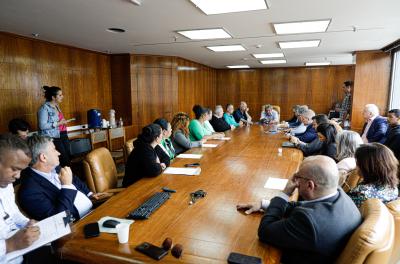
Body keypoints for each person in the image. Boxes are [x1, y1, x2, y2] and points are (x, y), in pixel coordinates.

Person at [237, 156, 361, 264]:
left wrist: (284, 193)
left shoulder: (309, 220)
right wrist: (263, 204)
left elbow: (265, 231)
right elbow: (299, 206)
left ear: (310, 185)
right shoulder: (338, 194)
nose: (294, 181)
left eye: (298, 177)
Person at [18, 135, 108, 221]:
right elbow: (60, 221)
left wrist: (89, 194)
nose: (59, 153)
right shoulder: (29, 192)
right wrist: (66, 186)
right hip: (79, 224)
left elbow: (75, 179)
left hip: (94, 209)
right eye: (54, 150)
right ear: (43, 157)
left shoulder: (56, 168)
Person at [0, 134, 40, 264]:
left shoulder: (6, 185)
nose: (18, 176)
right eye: (14, 169)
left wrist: (27, 224)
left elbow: (13, 214)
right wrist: (9, 245)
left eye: (21, 170)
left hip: (20, 256)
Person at [347, 143, 398, 208]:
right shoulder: (393, 187)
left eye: (358, 162)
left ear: (367, 167)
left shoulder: (360, 194)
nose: (356, 166)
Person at [38, 86, 73, 167]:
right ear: (53, 97)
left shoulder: (57, 106)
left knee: (69, 156)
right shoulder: (44, 108)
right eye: (60, 95)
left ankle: (69, 176)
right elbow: (42, 126)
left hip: (63, 134)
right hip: (54, 137)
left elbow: (58, 120)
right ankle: (66, 177)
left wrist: (63, 122)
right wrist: (58, 123)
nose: (62, 96)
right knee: (64, 159)